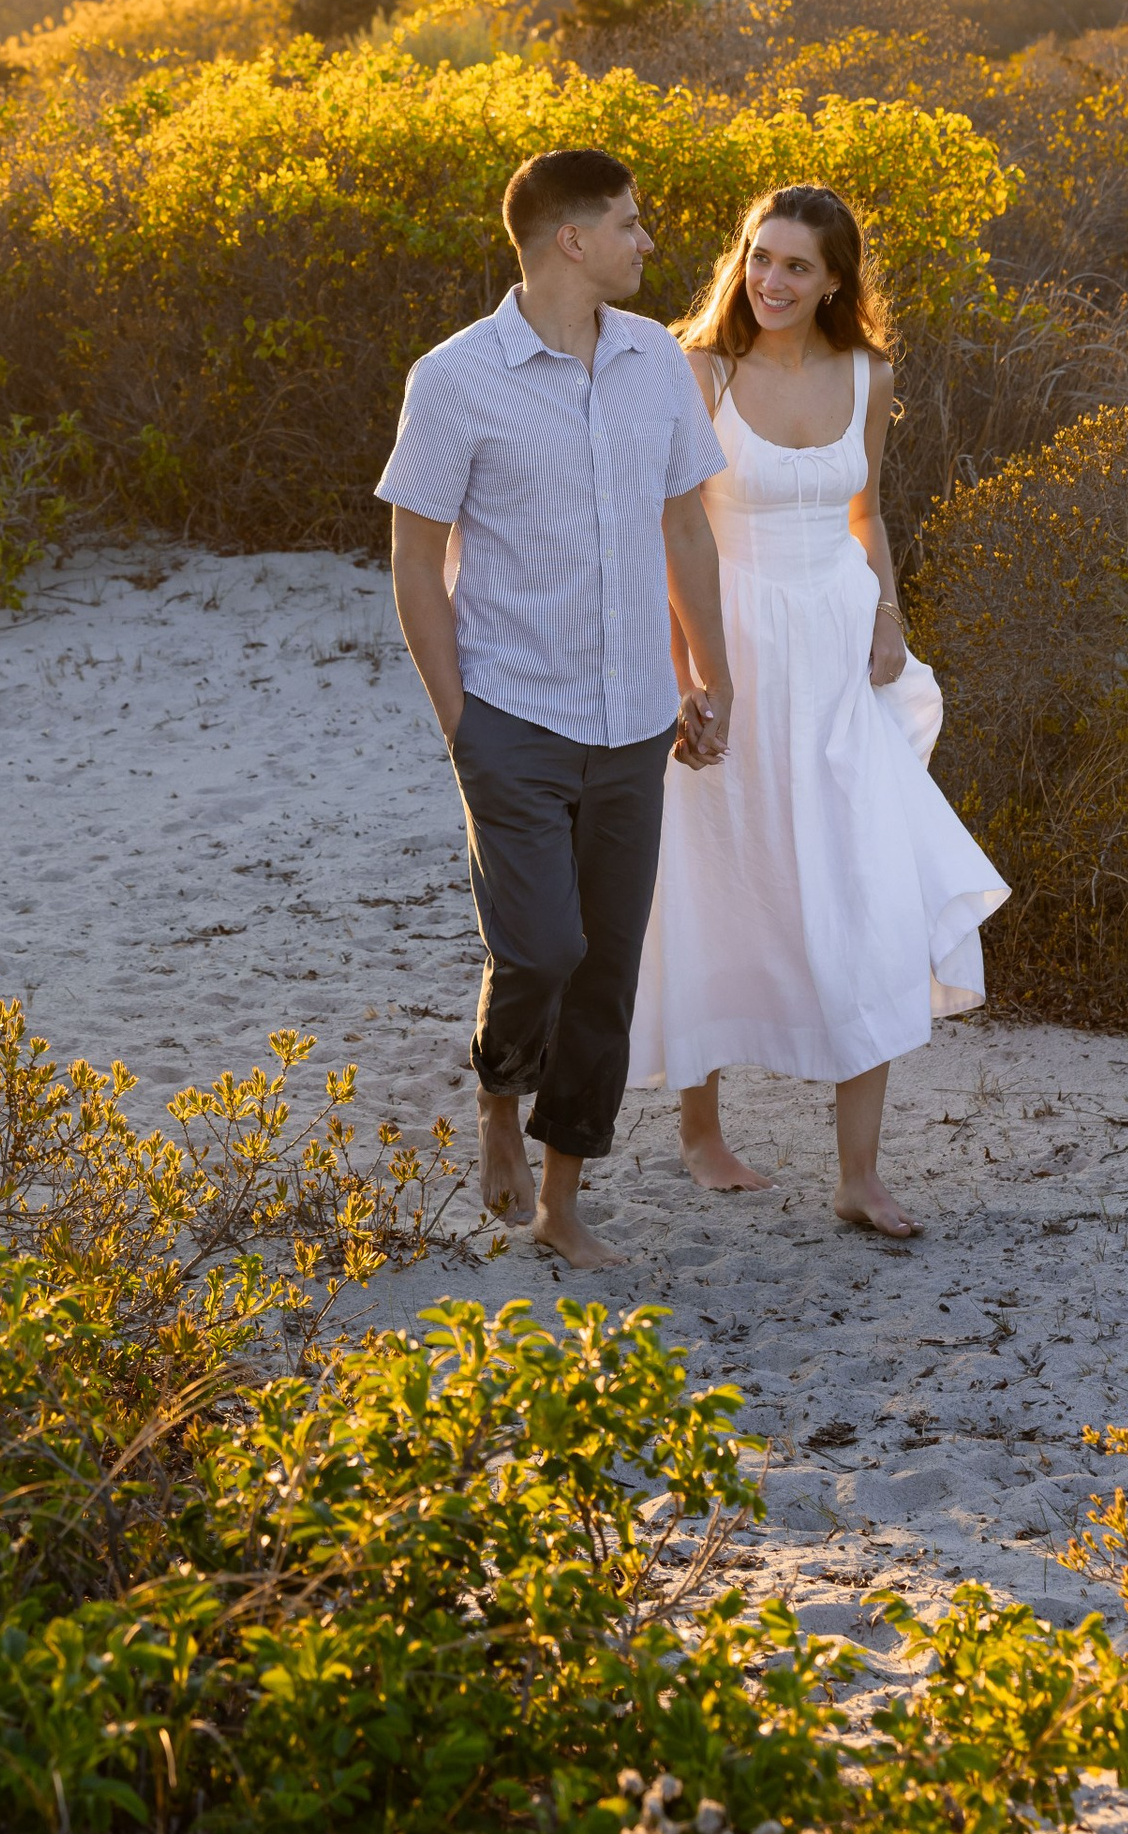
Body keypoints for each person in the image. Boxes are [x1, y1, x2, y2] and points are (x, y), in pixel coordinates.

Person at [378, 147, 735, 1267]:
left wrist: (707, 675)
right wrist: (459, 718)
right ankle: (499, 1088)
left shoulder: (656, 366)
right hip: (512, 716)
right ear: (570, 241)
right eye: (629, 225)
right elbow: (413, 551)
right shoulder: (453, 377)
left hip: (634, 721)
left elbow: (684, 527)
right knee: (539, 946)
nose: (646, 242)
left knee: (606, 972)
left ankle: (560, 1197)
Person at [629, 182, 1007, 1238]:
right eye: (759, 256)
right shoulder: (697, 371)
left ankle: (857, 1174)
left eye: (796, 265)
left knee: (863, 883)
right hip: (729, 645)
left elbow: (866, 511)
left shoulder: (866, 373)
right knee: (713, 871)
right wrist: (687, 680)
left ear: (835, 278)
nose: (771, 280)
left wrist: (890, 612)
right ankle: (700, 1130)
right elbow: (674, 538)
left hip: (838, 652)